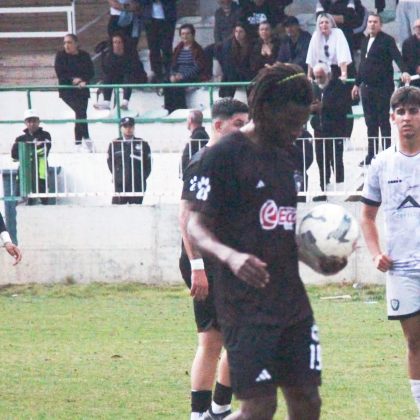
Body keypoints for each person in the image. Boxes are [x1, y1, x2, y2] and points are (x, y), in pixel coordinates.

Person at [186, 64, 347, 420]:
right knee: (259, 408)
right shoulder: (224, 155)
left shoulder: (285, 157)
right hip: (245, 307)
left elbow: (279, 231)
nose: (298, 130)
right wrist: (230, 257)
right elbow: (195, 225)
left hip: (292, 303)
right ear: (266, 109)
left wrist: (315, 259)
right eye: (292, 122)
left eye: (302, 122)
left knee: (308, 401)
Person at [179, 98, 249, 420]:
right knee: (212, 341)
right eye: (238, 124)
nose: (244, 131)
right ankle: (201, 415)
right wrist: (197, 267)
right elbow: (186, 218)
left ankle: (219, 409)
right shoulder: (204, 162)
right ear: (218, 125)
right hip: (205, 263)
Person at [360, 85, 420, 417]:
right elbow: (367, 216)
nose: (407, 118)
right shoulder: (381, 164)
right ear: (392, 118)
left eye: (413, 111)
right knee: (415, 342)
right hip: (402, 271)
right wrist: (375, 253)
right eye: (401, 112)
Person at [351, 13, 410, 166]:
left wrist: (404, 70)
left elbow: (397, 57)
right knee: (370, 123)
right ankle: (371, 154)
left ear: (380, 24)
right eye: (370, 22)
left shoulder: (387, 40)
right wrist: (356, 84)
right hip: (366, 88)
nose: (372, 24)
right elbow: (362, 65)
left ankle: (386, 154)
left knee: (383, 121)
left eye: (375, 22)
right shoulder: (365, 40)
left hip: (382, 88)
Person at [310, 62, 352, 199]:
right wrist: (312, 110)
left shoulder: (339, 87)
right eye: (316, 77)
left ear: (328, 75)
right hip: (319, 131)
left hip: (335, 131)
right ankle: (324, 191)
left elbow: (343, 108)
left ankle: (340, 191)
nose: (318, 80)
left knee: (336, 161)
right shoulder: (315, 88)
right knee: (321, 162)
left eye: (320, 77)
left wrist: (324, 107)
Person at [54, 34, 95, 152]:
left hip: (82, 89)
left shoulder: (84, 56)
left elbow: (90, 72)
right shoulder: (61, 56)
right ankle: (86, 139)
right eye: (65, 43)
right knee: (80, 112)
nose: (66, 45)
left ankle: (79, 143)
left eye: (69, 42)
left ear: (76, 44)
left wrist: (83, 80)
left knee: (81, 113)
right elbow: (60, 73)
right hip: (67, 90)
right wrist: (73, 80)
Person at [163, 24, 209, 113]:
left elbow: (198, 67)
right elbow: (173, 64)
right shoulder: (178, 49)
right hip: (177, 75)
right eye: (183, 34)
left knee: (178, 85)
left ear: (193, 35)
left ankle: (180, 110)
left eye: (188, 33)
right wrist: (172, 75)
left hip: (191, 76)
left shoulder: (197, 49)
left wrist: (183, 76)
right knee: (166, 82)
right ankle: (169, 110)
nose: (185, 36)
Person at [94, 33, 147, 111]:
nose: (117, 45)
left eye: (119, 42)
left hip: (133, 77)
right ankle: (106, 102)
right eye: (115, 42)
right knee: (108, 77)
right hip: (117, 77)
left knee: (128, 76)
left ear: (123, 43)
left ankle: (125, 102)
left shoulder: (130, 54)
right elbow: (107, 71)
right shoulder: (109, 55)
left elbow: (135, 69)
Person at [107, 117, 152, 204]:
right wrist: (118, 175)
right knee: (116, 209)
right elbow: (110, 163)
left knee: (136, 210)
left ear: (134, 128)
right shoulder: (115, 144)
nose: (128, 129)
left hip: (137, 184)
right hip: (120, 185)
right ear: (121, 128)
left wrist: (141, 177)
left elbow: (148, 164)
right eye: (125, 126)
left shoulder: (142, 144)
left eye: (130, 126)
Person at [11, 109, 52, 205]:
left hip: (40, 170)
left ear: (39, 122)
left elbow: (45, 150)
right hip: (24, 171)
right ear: (25, 123)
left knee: (43, 196)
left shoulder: (45, 135)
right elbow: (14, 154)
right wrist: (33, 146)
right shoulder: (20, 138)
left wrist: (25, 149)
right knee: (20, 195)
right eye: (29, 121)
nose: (32, 124)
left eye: (34, 121)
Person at [306, 12, 352, 81]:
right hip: (320, 71)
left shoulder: (338, 33)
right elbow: (311, 56)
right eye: (321, 23)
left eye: (327, 22)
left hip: (336, 70)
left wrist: (343, 74)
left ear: (331, 24)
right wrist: (309, 75)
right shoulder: (316, 35)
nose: (324, 24)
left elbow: (343, 55)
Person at [139, 0, 177, 83]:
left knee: (167, 47)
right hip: (150, 19)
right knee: (153, 48)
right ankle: (157, 74)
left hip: (167, 17)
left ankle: (168, 73)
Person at [218, 22, 253, 98]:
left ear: (245, 33)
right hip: (232, 73)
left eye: (241, 32)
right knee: (230, 76)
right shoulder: (228, 44)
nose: (238, 34)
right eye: (236, 31)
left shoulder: (251, 44)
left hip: (246, 73)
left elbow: (251, 63)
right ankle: (227, 99)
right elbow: (227, 64)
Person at [181, 110, 210, 175]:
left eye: (187, 119)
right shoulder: (198, 134)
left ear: (190, 120)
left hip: (193, 174)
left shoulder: (199, 135)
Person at [402, 19, 420, 89]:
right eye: (417, 27)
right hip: (415, 79)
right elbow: (406, 61)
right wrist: (416, 68)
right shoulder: (407, 43)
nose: (419, 28)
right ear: (414, 29)